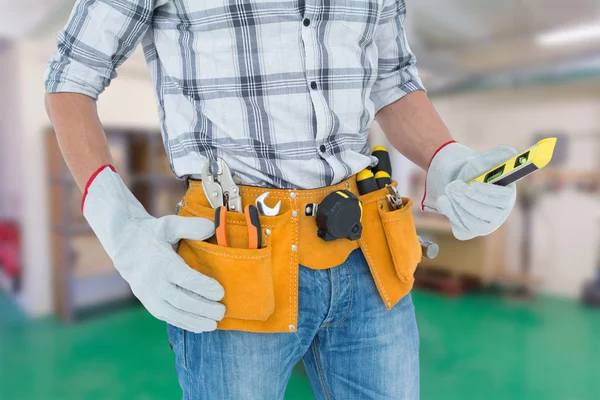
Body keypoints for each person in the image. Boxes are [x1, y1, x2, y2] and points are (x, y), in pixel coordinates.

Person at [44, 0, 517, 398]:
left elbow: (392, 80)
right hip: (235, 259)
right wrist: (117, 222)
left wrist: (447, 156)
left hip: (368, 253)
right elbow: (70, 76)